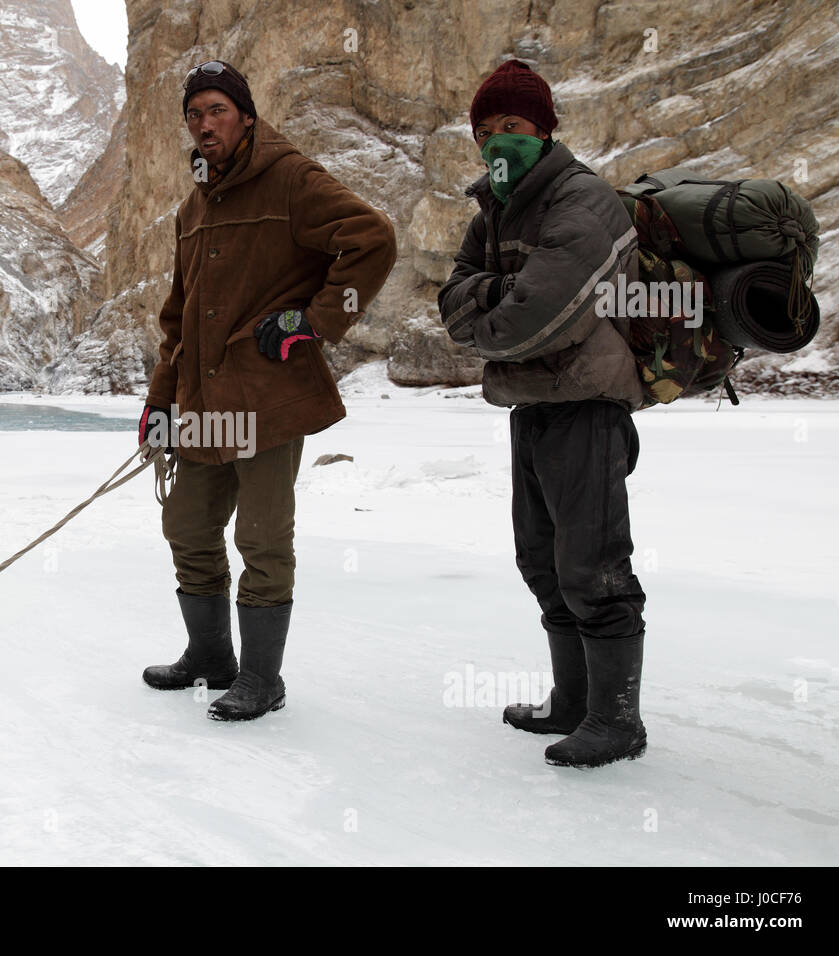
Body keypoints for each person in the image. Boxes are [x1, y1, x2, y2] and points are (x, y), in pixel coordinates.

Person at [139, 60, 396, 721]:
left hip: (267, 401)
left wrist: (313, 321)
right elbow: (178, 318)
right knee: (188, 527)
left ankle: (262, 678)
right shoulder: (193, 208)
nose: (204, 125)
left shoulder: (290, 178)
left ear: (246, 116)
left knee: (261, 539)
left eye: (217, 110)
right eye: (194, 114)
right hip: (199, 404)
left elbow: (372, 238)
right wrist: (160, 407)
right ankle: (211, 657)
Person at [438, 60, 647, 767]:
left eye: (514, 127)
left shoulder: (581, 201)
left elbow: (535, 319)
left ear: (545, 129)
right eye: (487, 130)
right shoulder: (491, 212)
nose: (499, 141)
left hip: (587, 404)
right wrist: (498, 298)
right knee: (544, 562)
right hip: (533, 405)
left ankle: (618, 721)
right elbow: (451, 306)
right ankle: (574, 700)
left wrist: (491, 308)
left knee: (593, 565)